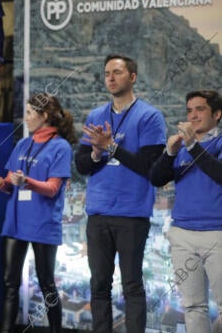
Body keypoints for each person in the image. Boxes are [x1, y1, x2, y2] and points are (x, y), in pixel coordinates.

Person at [74, 54, 166, 332]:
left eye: (117, 72)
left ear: (133, 77)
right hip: (99, 212)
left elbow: (151, 167)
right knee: (98, 284)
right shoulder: (96, 116)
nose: (111, 78)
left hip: (132, 213)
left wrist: (112, 148)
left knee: (132, 286)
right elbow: (81, 166)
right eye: (106, 74)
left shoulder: (150, 116)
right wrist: (95, 151)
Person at [0, 93, 76, 333]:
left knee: (47, 283)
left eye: (29, 113)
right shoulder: (23, 144)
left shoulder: (60, 146)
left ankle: (56, 329)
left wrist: (28, 182)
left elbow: (53, 188)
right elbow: (9, 183)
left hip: (43, 223)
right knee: (10, 283)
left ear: (44, 116)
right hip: (16, 223)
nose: (25, 118)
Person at [150, 90, 222, 333]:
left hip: (217, 233)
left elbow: (219, 173)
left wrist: (192, 146)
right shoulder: (181, 147)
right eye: (189, 110)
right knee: (192, 306)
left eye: (200, 109)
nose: (193, 115)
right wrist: (170, 153)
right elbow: (156, 178)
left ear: (217, 114)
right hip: (182, 234)